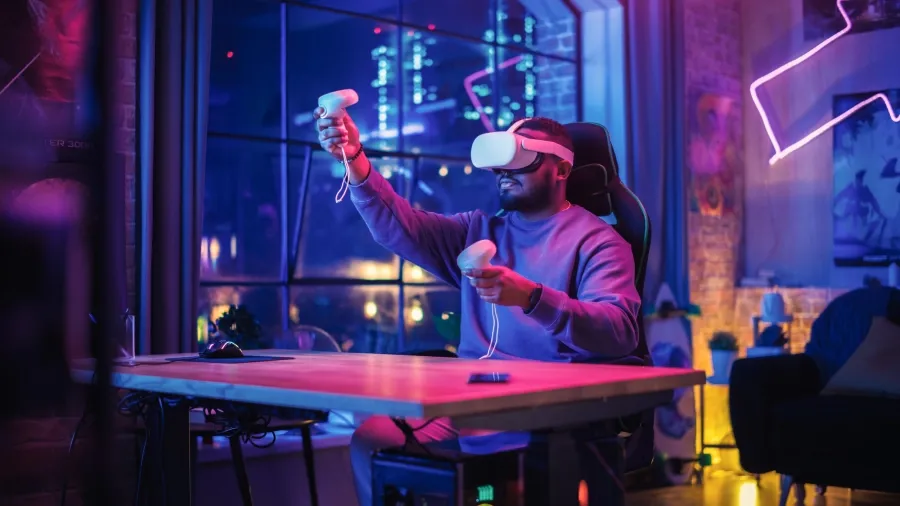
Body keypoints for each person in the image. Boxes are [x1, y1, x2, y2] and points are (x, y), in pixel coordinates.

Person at [314, 108, 641, 506]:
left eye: (520, 163)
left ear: (560, 170)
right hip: (472, 400)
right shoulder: (478, 231)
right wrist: (355, 158)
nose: (505, 172)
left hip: (547, 407)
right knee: (374, 438)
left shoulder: (600, 242)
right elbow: (401, 226)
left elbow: (620, 331)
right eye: (501, 165)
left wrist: (533, 298)